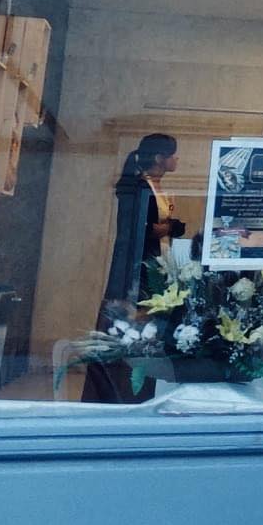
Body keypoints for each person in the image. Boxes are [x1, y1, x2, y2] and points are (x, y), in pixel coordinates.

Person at [81, 133, 184, 404]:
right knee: (127, 335)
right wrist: (172, 228)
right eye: (173, 154)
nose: (177, 159)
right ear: (160, 158)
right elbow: (138, 233)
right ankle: (118, 399)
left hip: (152, 270)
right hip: (135, 272)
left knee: (145, 337)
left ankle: (140, 396)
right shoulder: (138, 188)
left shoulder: (154, 187)